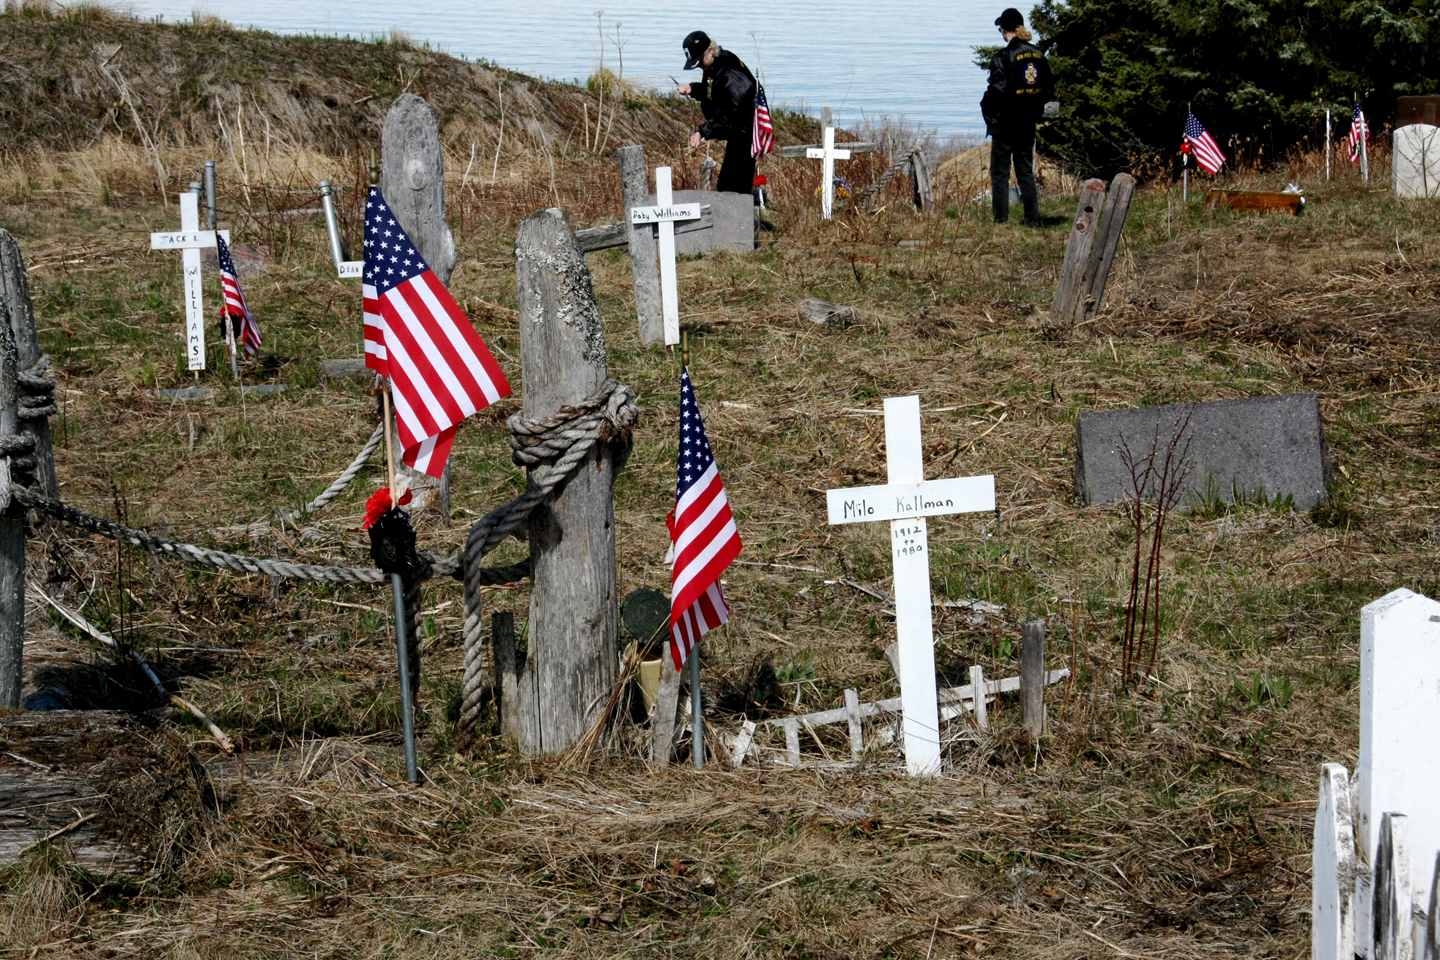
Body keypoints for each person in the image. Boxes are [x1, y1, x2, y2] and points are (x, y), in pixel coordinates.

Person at [981, 8, 1053, 226]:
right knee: (1025, 173)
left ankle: (1000, 220)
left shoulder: (1003, 57)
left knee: (1000, 174)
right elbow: (1048, 90)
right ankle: (1032, 219)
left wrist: (987, 109)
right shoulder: (1038, 55)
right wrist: (1035, 112)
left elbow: (997, 91)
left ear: (1004, 31)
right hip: (1027, 122)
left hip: (1005, 124)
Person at [675, 31, 757, 195]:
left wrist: (702, 132)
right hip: (737, 132)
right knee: (728, 187)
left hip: (744, 132)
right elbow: (713, 91)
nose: (700, 66)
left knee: (732, 188)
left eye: (700, 61)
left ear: (710, 50)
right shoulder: (714, 65)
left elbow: (730, 115)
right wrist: (692, 89)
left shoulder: (730, 73)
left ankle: (746, 209)